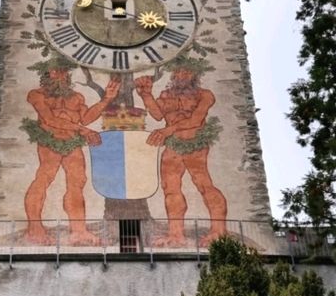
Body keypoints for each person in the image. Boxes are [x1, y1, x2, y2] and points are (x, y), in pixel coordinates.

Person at [22, 59, 120, 245]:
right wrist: (83, 130)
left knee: (77, 183)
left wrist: (106, 99)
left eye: (63, 72)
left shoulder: (76, 97)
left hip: (72, 143)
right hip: (50, 142)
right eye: (55, 71)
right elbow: (49, 119)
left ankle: (79, 231)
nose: (61, 75)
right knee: (44, 179)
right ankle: (34, 229)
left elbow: (86, 118)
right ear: (45, 75)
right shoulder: (37, 94)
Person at [135, 61, 227, 247]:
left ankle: (219, 231)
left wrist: (168, 130)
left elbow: (196, 119)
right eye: (178, 71)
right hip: (173, 146)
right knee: (170, 188)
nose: (181, 75)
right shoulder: (166, 95)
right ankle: (176, 234)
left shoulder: (204, 95)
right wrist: (146, 94)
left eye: (186, 72)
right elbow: (157, 114)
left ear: (195, 75)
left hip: (195, 145)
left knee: (204, 184)